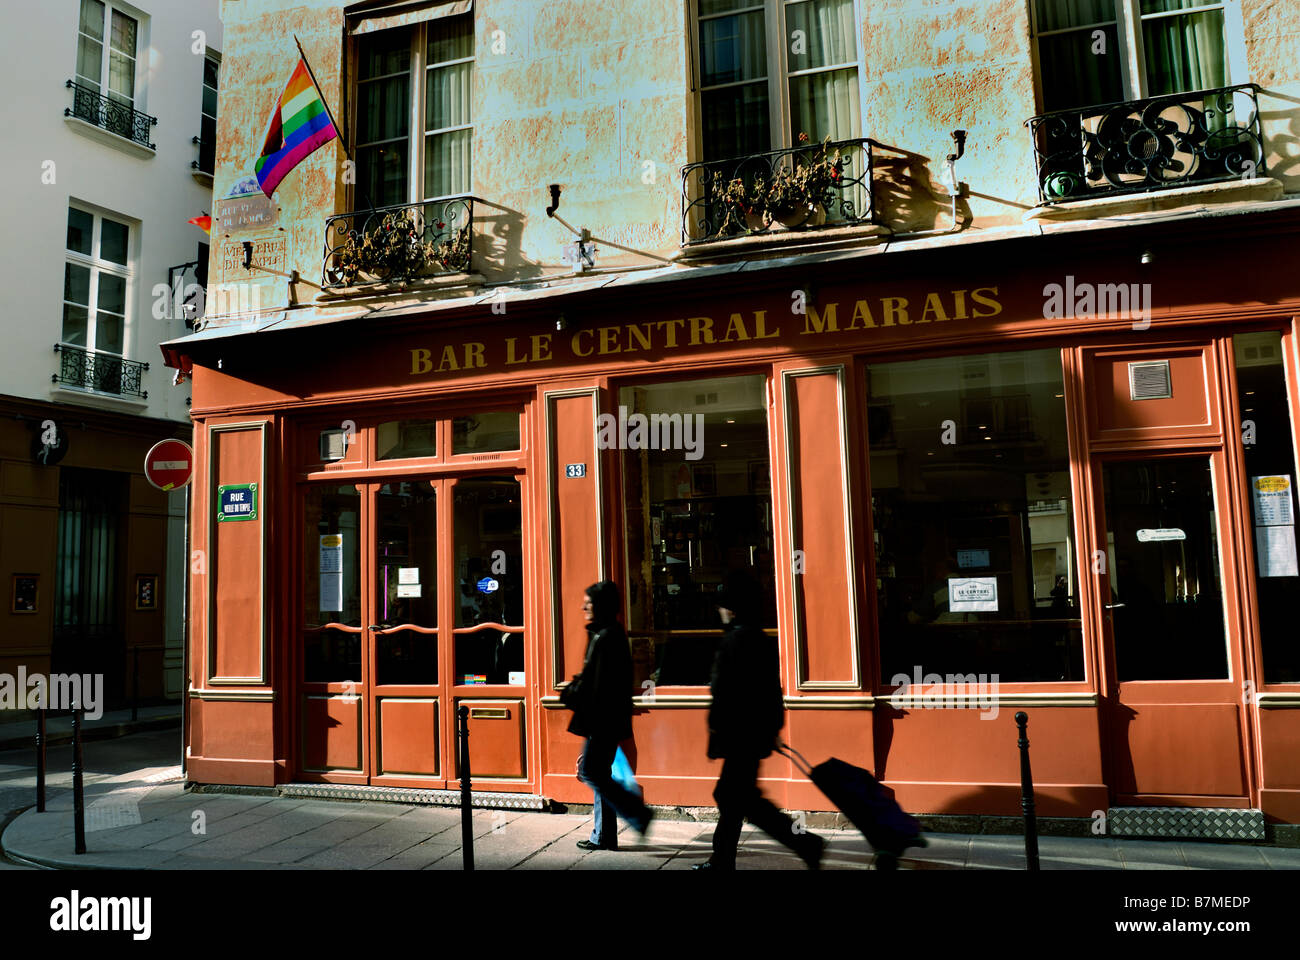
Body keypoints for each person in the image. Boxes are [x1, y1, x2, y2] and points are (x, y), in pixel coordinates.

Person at [694, 569, 824, 870]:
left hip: (739, 736)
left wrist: (719, 731)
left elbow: (726, 695)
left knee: (736, 798)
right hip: (752, 735)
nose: (720, 610)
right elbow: (770, 691)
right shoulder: (758, 637)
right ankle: (723, 860)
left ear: (734, 607)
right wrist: (772, 728)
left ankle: (805, 843)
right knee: (735, 798)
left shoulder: (735, 641)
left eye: (724, 605)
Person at [563, 580, 653, 850]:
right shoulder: (609, 634)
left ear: (599, 606)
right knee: (599, 772)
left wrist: (574, 693)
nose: (583, 607)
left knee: (591, 771)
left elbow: (598, 686)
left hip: (601, 720)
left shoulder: (605, 637)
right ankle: (603, 835)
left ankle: (636, 813)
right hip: (607, 719)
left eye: (588, 604)